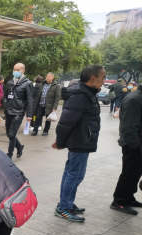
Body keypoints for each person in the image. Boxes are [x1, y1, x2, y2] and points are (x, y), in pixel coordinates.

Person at [53, 65, 105, 222]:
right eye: (103, 77)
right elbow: (66, 122)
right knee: (75, 174)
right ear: (92, 78)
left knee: (72, 173)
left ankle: (66, 203)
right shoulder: (81, 96)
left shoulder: (87, 93)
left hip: (83, 140)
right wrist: (60, 141)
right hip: (80, 140)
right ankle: (63, 207)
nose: (104, 81)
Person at [110, 81, 142, 215]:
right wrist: (135, 145)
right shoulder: (135, 99)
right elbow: (129, 126)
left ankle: (129, 197)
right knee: (129, 172)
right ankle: (119, 201)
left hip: (137, 142)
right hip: (132, 143)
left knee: (135, 173)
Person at [3, 63, 34, 159]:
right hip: (9, 111)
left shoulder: (27, 84)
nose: (15, 72)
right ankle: (19, 147)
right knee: (8, 134)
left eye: (18, 70)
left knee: (12, 134)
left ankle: (9, 154)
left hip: (18, 112)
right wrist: (5, 103)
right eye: (14, 69)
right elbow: (5, 96)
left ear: (23, 71)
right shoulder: (10, 82)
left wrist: (29, 115)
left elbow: (30, 100)